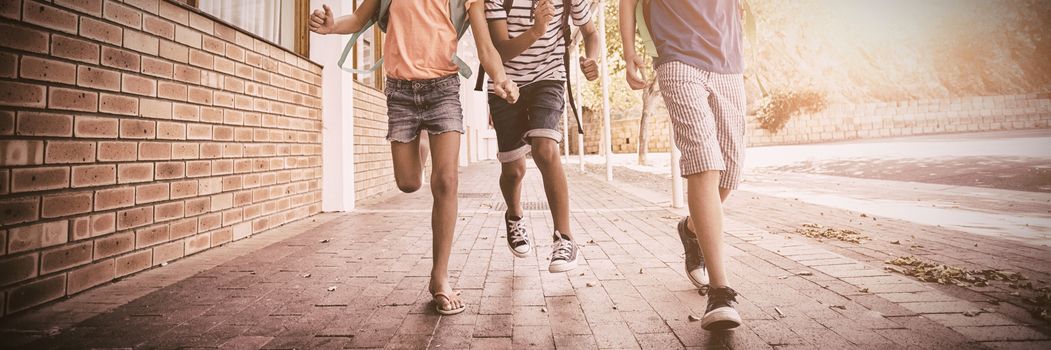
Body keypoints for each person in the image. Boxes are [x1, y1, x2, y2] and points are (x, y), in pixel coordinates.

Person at [309, 0, 519, 315]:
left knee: (446, 181)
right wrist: (330, 27)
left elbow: (485, 46)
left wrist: (500, 78)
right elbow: (357, 18)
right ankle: (421, 140)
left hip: (443, 90)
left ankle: (440, 277)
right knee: (408, 183)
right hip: (401, 93)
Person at [620, 0, 746, 330]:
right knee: (704, 161)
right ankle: (720, 292)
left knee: (730, 170)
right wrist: (629, 49)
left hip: (728, 57)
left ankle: (691, 229)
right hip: (676, 55)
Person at [482, 0, 601, 273]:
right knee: (513, 170)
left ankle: (565, 238)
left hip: (549, 76)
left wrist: (591, 58)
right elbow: (499, 50)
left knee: (545, 149)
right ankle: (514, 216)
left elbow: (591, 32)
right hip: (505, 81)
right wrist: (536, 30)